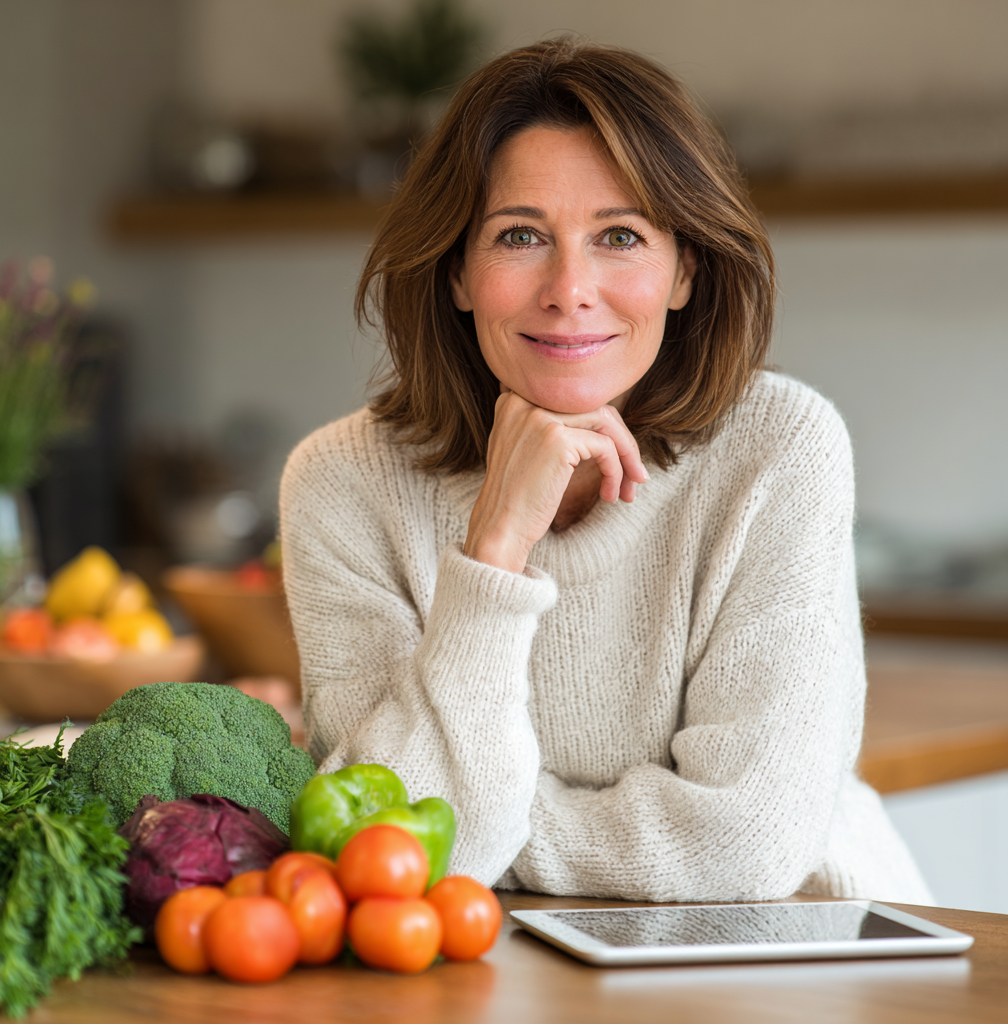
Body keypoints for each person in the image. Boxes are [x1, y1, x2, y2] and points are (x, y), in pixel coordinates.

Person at [280, 39, 931, 904]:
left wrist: (496, 832)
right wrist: (494, 552)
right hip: (492, 971)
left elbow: (747, 847)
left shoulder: (781, 446)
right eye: (520, 236)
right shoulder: (339, 483)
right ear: (459, 272)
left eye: (620, 236)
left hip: (792, 960)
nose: (570, 288)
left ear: (685, 268)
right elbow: (393, 848)